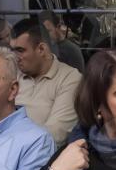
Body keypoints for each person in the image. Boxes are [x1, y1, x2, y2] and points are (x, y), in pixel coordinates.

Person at [10, 18, 82, 146]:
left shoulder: (70, 79)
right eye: (12, 50)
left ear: (41, 49)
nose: (15, 57)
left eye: (20, 51)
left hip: (36, 153)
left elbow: (55, 135)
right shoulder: (12, 74)